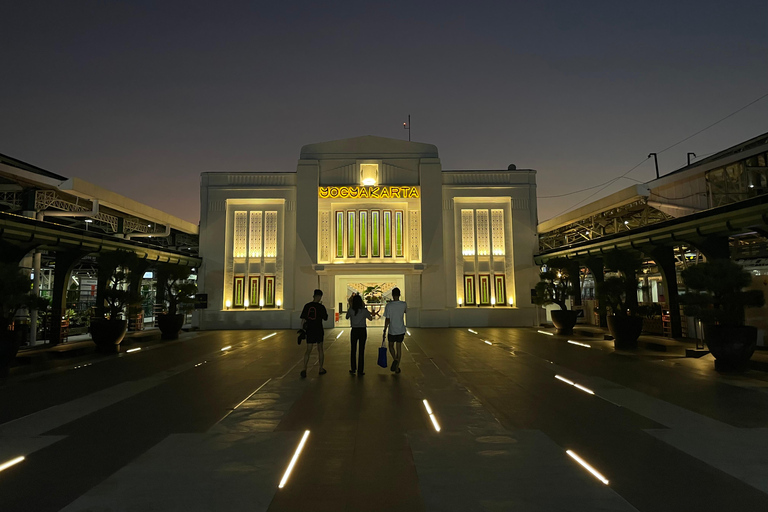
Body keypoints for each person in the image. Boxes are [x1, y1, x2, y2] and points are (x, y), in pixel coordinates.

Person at [299, 289, 329, 378]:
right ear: (320, 297)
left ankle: (304, 368)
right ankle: (320, 368)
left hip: (310, 330)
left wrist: (302, 330)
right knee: (320, 349)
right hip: (318, 329)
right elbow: (325, 318)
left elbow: (303, 320)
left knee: (308, 350)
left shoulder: (307, 306)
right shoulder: (321, 307)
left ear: (313, 296)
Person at [346, 294, 373, 376]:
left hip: (354, 331)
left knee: (353, 350)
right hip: (362, 331)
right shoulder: (364, 310)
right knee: (361, 350)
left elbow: (347, 317)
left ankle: (353, 368)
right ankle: (360, 370)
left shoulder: (351, 310)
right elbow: (370, 318)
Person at [382, 287, 407, 373]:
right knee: (399, 347)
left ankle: (395, 360)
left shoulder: (389, 305)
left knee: (391, 346)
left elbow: (387, 319)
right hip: (401, 329)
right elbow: (405, 311)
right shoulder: (404, 304)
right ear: (399, 294)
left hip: (392, 329)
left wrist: (385, 329)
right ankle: (397, 367)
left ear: (392, 295)